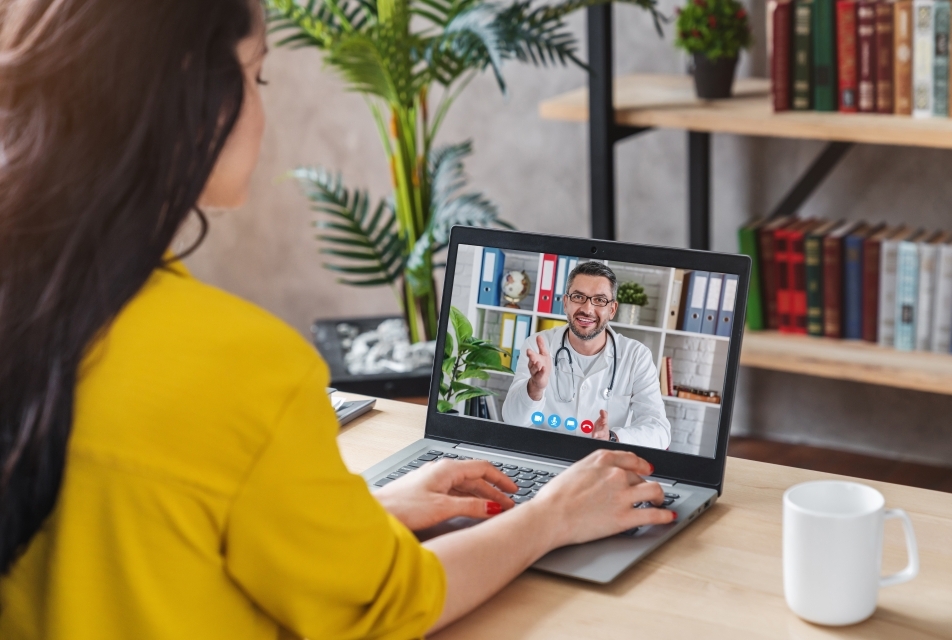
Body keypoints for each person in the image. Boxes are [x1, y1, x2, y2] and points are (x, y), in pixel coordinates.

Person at [0, 1, 676, 638]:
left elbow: (149, 533)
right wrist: (550, 515)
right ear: (189, 96)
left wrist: (365, 516)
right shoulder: (242, 364)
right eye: (255, 74)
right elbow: (388, 606)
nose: (262, 105)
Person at [502, 262, 672, 449]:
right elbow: (512, 420)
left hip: (602, 463)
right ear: (566, 303)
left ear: (612, 309)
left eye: (599, 300)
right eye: (578, 297)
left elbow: (659, 431)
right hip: (545, 457)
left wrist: (612, 438)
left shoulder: (636, 356)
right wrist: (535, 386)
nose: (587, 309)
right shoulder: (538, 346)